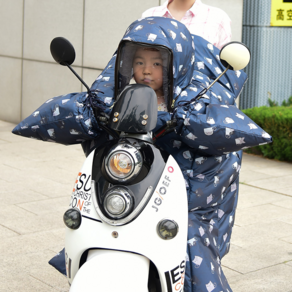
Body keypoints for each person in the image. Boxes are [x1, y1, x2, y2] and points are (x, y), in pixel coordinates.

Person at [12, 17, 272, 292]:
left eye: (157, 64)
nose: (146, 70)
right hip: (131, 177)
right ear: (125, 63)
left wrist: (182, 121)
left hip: (178, 187)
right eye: (138, 62)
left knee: (191, 234)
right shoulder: (114, 95)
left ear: (176, 65)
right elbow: (86, 116)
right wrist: (94, 113)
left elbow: (218, 129)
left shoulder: (194, 100)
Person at [142, 0, 231, 49]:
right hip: (154, 82)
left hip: (202, 82)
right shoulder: (150, 15)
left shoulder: (218, 17)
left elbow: (222, 67)